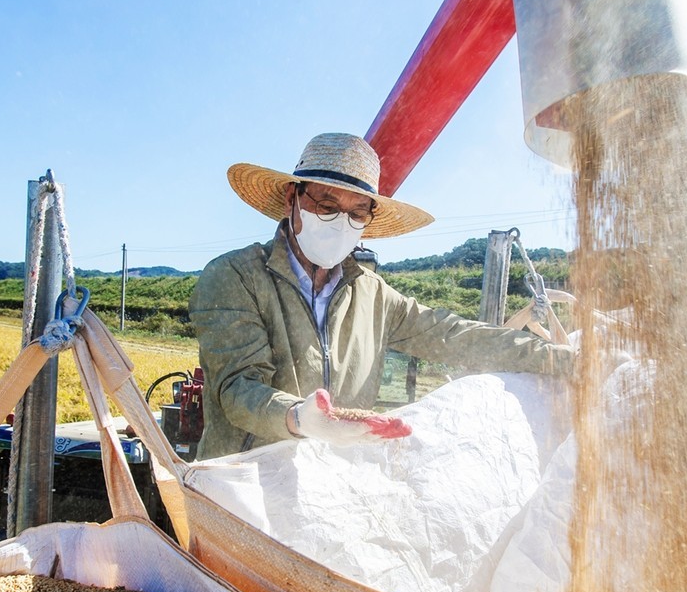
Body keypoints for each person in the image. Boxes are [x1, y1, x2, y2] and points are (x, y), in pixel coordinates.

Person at [189, 132, 574, 458]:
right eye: (327, 205)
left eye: (357, 213)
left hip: (330, 480)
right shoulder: (234, 277)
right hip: (241, 484)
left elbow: (454, 335)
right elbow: (237, 389)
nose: (342, 222)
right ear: (293, 197)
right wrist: (300, 418)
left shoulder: (373, 294)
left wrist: (558, 360)